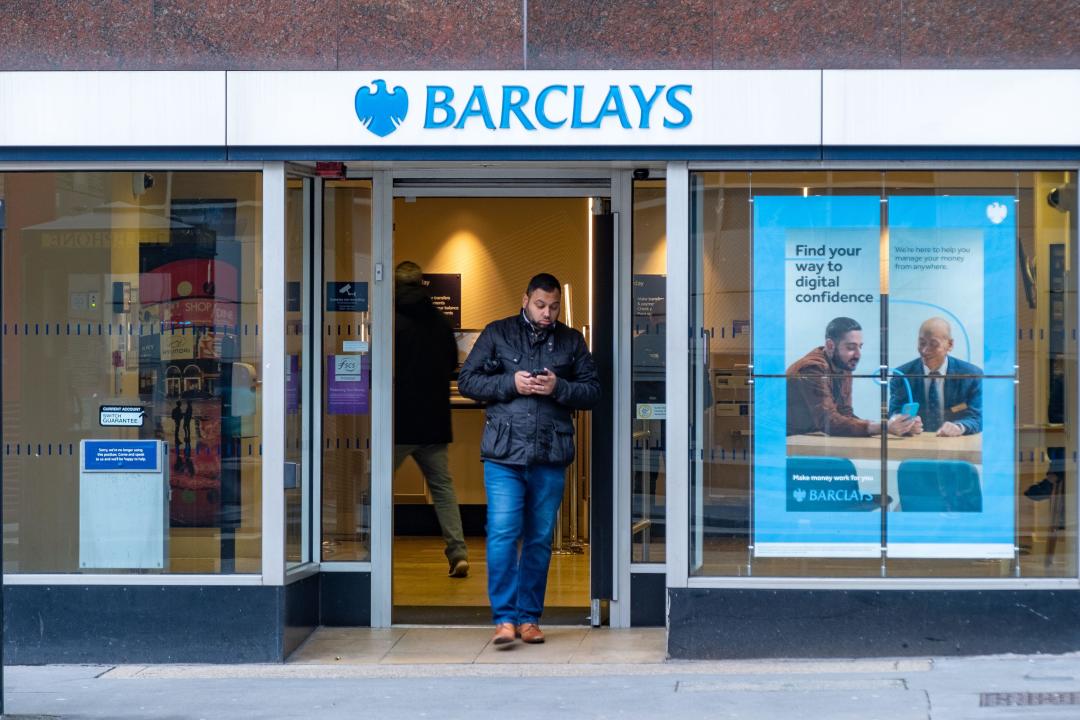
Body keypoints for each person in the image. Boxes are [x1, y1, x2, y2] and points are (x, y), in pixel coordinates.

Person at [458, 273, 600, 647]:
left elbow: (593, 392)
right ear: (525, 300)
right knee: (503, 533)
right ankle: (504, 619)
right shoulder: (498, 332)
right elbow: (467, 381)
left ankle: (529, 619)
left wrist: (560, 387)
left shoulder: (571, 340)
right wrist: (510, 383)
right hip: (504, 455)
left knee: (539, 538)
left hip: (550, 454)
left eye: (553, 307)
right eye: (540, 305)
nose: (547, 313)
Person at [393, 261, 469, 578]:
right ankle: (458, 553)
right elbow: (453, 362)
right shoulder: (440, 321)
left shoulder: (391, 321)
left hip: (398, 422)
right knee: (443, 489)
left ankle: (369, 551)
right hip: (434, 421)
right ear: (422, 284)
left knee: (375, 485)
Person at [786, 317, 910, 437]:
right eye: (851, 347)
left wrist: (899, 425)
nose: (858, 354)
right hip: (783, 441)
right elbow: (829, 421)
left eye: (860, 347)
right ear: (830, 346)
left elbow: (845, 414)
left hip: (806, 437)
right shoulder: (813, 368)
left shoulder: (843, 365)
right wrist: (884, 427)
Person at [888, 317, 983, 436]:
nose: (925, 350)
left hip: (955, 447)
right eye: (922, 343)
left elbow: (978, 417)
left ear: (950, 344)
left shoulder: (971, 376)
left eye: (933, 344)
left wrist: (959, 427)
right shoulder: (902, 376)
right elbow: (894, 413)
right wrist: (904, 424)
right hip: (915, 445)